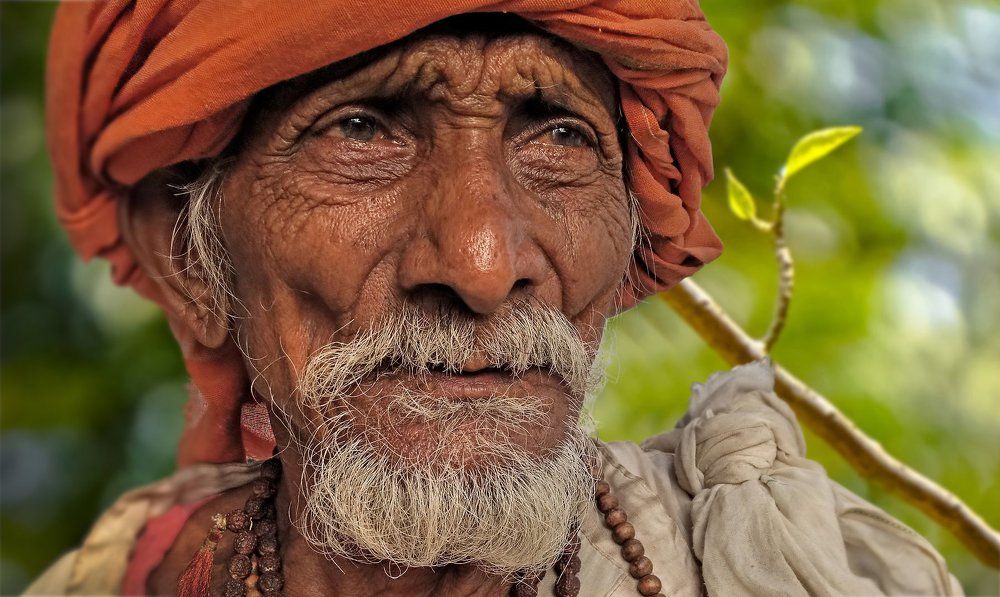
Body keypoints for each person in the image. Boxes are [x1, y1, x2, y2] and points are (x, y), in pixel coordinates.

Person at [30, 2, 961, 595]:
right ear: (189, 260)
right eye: (363, 129)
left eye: (558, 138)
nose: (480, 264)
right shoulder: (124, 573)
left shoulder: (783, 567)